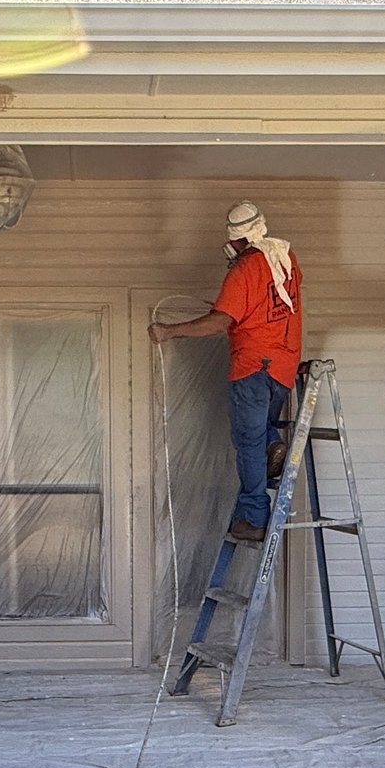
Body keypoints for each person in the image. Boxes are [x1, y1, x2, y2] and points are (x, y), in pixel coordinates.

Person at [149, 201, 302, 542]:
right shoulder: (285, 258)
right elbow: (266, 305)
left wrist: (168, 332)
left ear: (236, 239)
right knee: (260, 432)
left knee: (248, 443)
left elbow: (221, 321)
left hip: (252, 367)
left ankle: (254, 519)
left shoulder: (244, 269)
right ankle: (274, 444)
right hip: (283, 367)